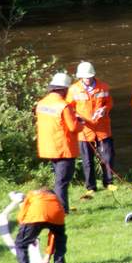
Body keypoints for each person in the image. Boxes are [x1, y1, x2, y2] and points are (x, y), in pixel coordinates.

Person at [35, 72, 83, 214]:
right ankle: (62, 211)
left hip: (48, 148)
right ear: (63, 89)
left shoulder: (41, 103)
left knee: (58, 180)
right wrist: (81, 123)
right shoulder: (63, 106)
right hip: (63, 149)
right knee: (62, 182)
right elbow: (73, 127)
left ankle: (57, 208)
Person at [66, 61, 116, 196]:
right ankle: (91, 187)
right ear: (80, 77)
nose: (87, 79)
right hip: (84, 131)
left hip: (103, 129)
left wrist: (104, 109)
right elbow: (69, 108)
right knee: (87, 161)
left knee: (107, 157)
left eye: (89, 76)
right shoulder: (73, 89)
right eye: (85, 77)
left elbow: (109, 102)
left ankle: (108, 183)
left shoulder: (103, 87)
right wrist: (77, 116)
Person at [14, 188, 66, 263]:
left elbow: (22, 214)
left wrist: (23, 228)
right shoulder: (55, 197)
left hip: (36, 214)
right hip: (56, 213)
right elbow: (53, 236)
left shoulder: (31, 194)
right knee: (59, 240)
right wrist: (47, 256)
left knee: (20, 244)